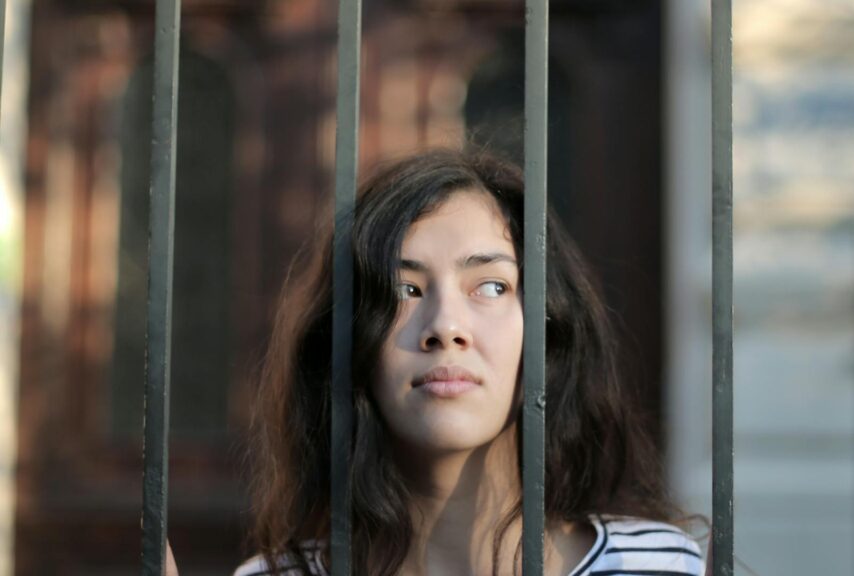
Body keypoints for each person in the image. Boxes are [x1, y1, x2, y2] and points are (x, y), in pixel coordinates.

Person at [228, 149, 706, 576]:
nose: (446, 327)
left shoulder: (654, 567)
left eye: (492, 286)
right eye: (404, 291)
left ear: (548, 328)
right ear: (350, 342)